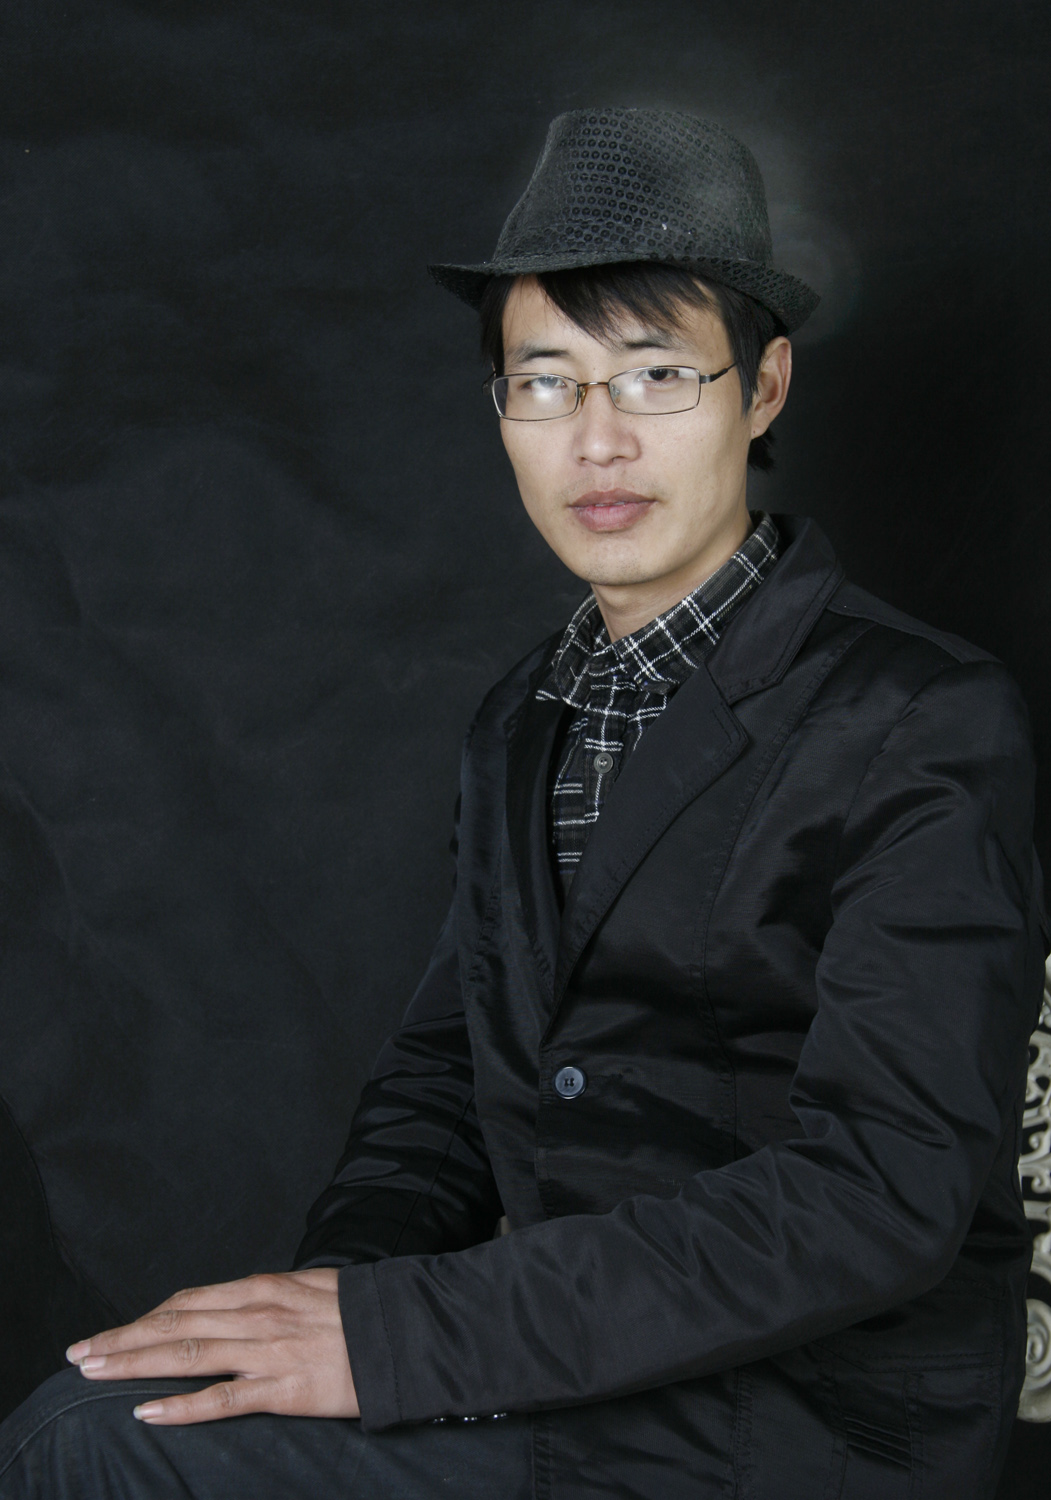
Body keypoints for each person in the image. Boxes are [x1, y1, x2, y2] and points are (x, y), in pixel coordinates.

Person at [0, 108, 1045, 1500]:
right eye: (545, 384)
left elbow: (878, 1191)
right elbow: (442, 1080)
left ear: (764, 388)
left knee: (82, 1451)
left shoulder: (923, 716)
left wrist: (399, 1338)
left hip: (815, 1419)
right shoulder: (522, 718)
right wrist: (332, 1303)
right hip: (567, 1368)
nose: (597, 441)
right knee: (121, 1409)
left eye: (657, 374)